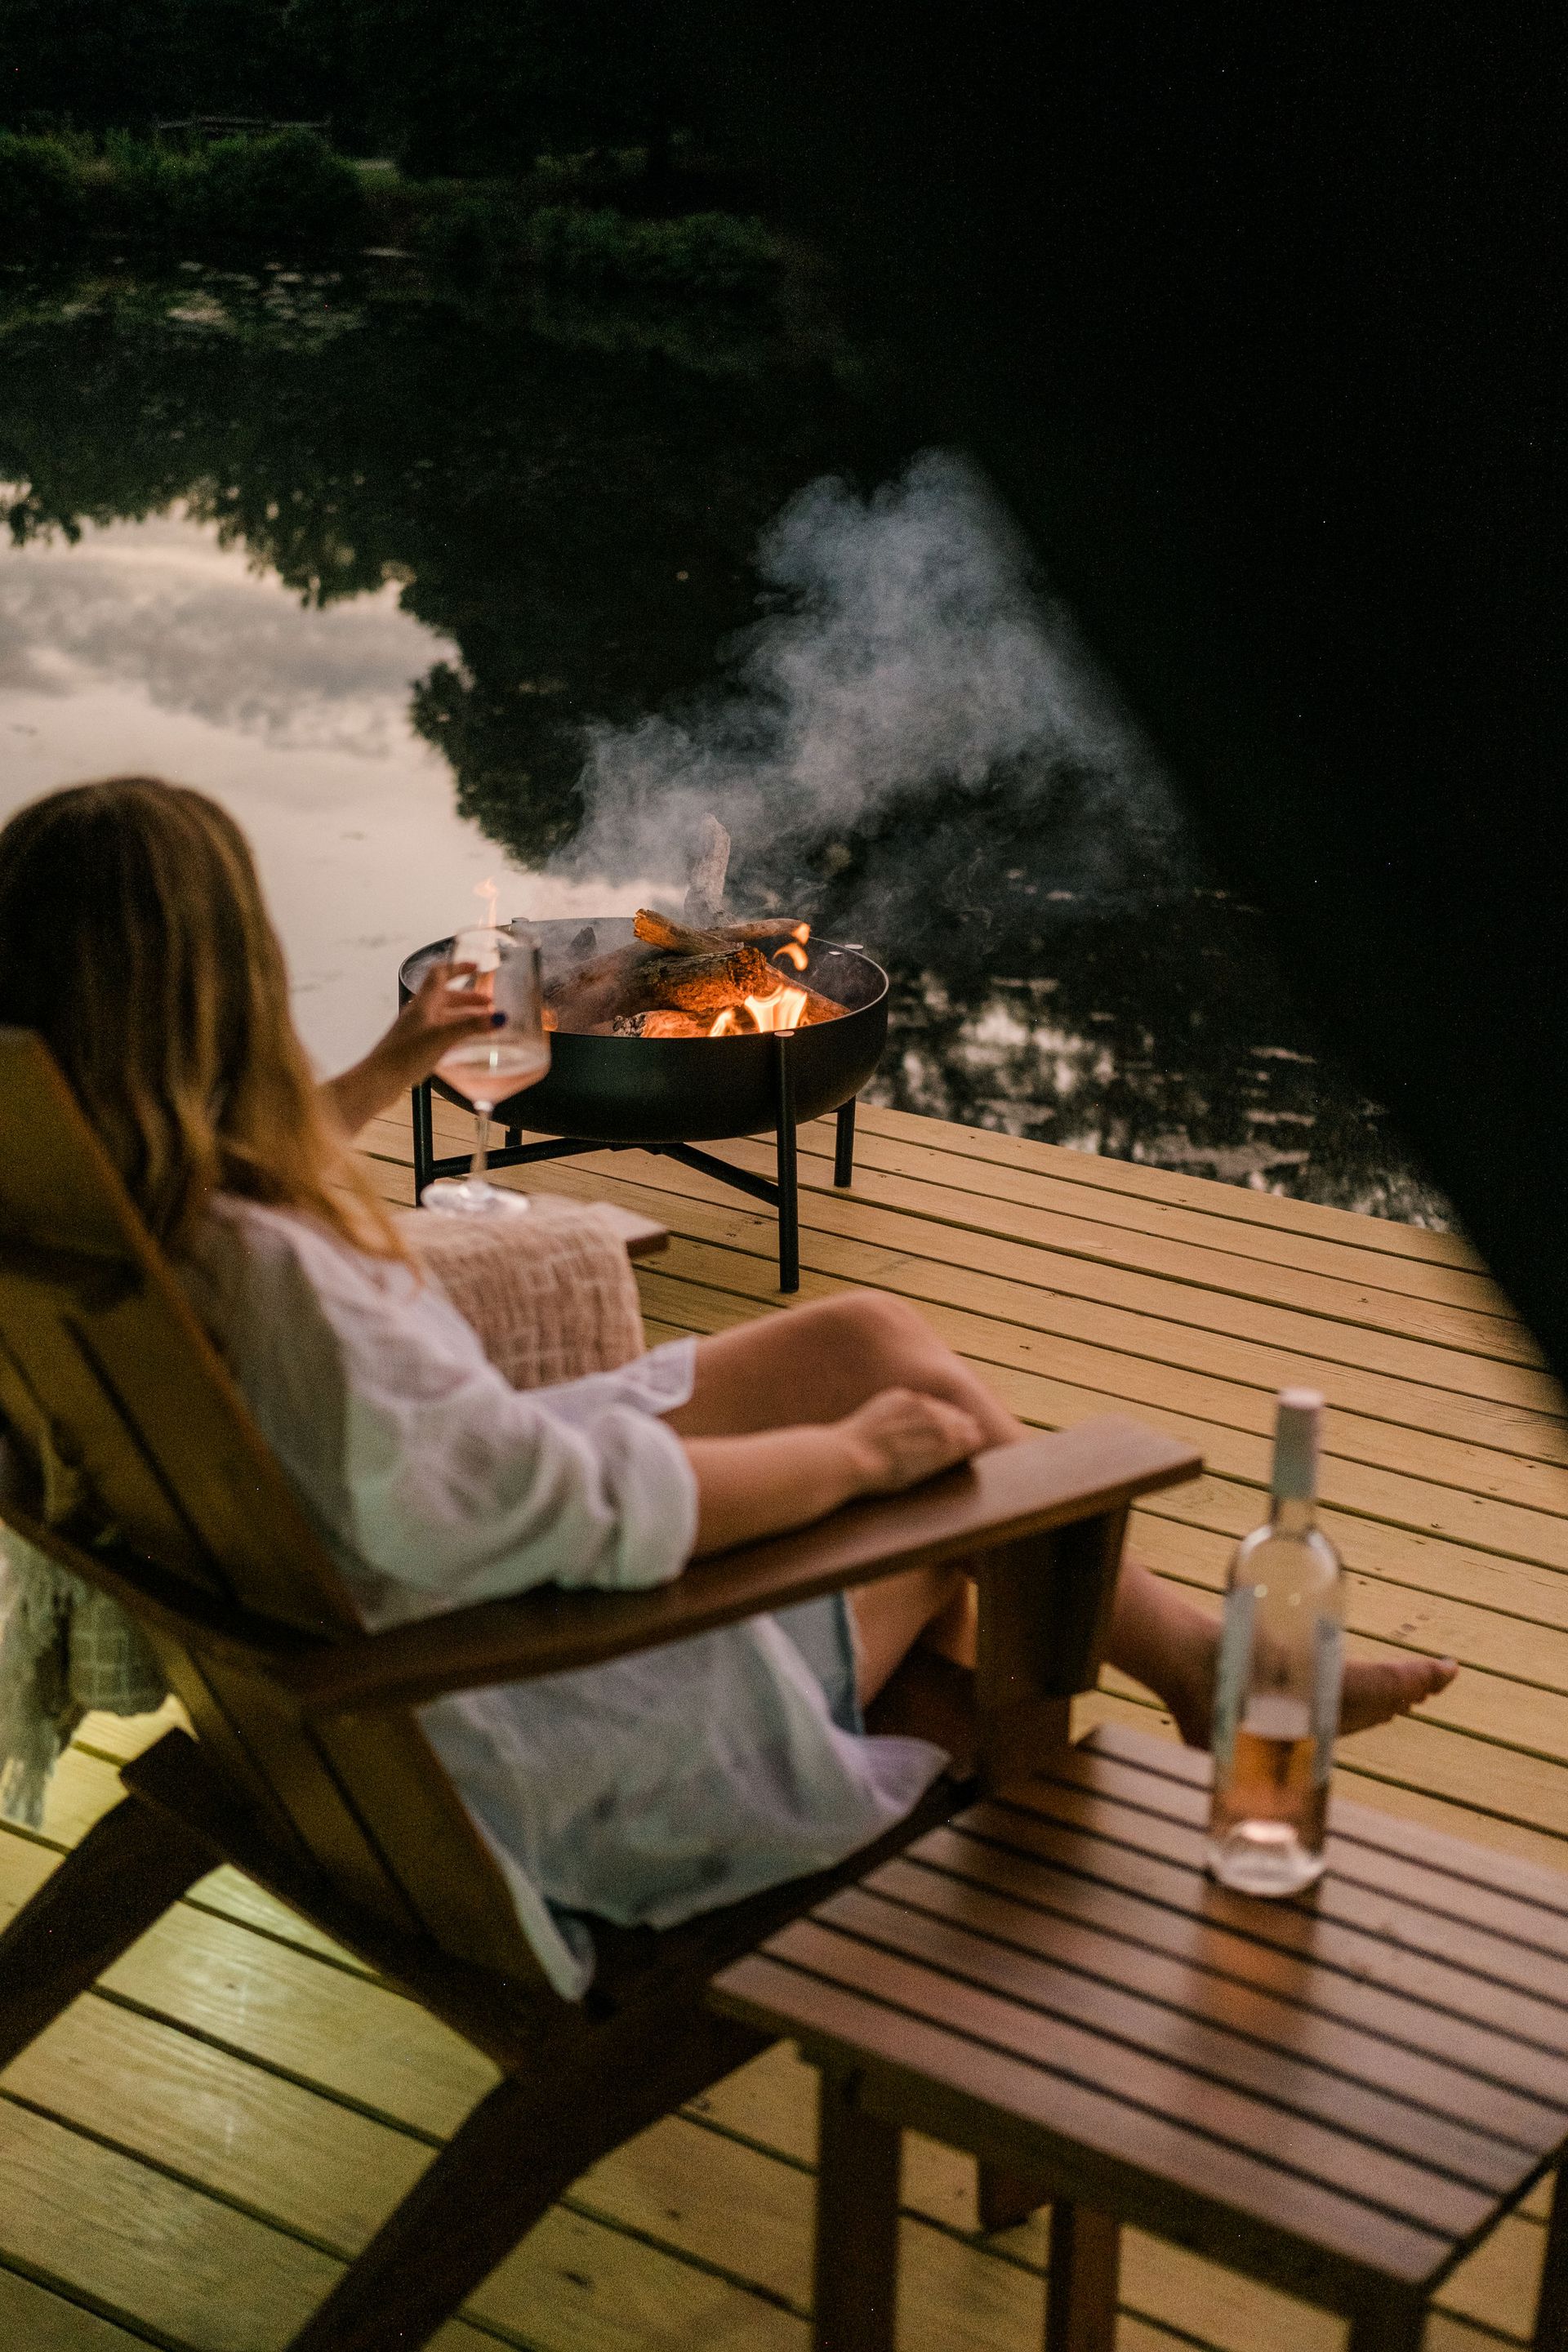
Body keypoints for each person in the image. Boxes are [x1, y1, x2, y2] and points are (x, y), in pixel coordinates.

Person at [0, 778, 1454, 1993]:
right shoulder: (275, 1279)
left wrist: (398, 1061)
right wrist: (860, 1470)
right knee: (962, 1493)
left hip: (381, 1645)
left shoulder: (94, 1216)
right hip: (529, 1734)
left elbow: (290, 1255)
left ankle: (1197, 1662)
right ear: (226, 986)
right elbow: (551, 1510)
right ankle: (1117, 1813)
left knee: (865, 1340)